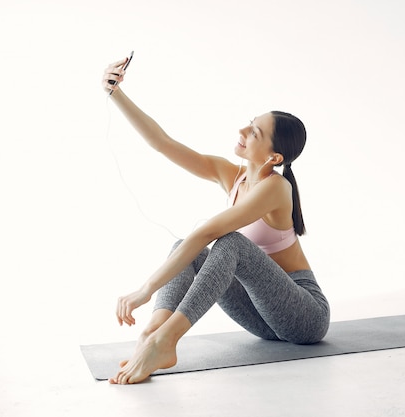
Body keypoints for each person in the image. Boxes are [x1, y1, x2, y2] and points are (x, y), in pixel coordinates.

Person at [102, 57, 330, 384]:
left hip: (304, 316)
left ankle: (166, 341)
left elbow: (210, 231)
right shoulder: (231, 176)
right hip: (263, 318)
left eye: (254, 132)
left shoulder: (277, 188)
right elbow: (162, 143)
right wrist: (115, 93)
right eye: (249, 124)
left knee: (229, 242)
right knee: (186, 248)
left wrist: (145, 289)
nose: (242, 131)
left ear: (274, 158)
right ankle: (152, 335)